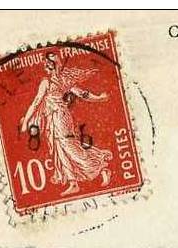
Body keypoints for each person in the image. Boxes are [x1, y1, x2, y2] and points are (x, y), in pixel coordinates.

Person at [19, 51, 113, 197]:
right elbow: (83, 94)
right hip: (57, 118)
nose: (45, 67)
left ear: (49, 67)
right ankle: (73, 183)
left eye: (47, 65)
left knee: (70, 147)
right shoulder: (63, 80)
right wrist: (98, 98)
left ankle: (101, 169)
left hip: (59, 117)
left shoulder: (47, 82)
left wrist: (25, 121)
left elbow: (36, 102)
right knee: (60, 149)